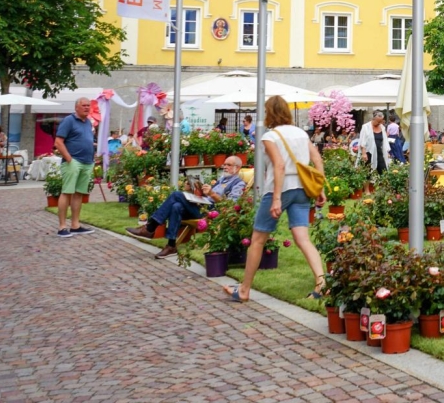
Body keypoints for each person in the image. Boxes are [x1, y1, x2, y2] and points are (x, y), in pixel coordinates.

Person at [225, 96, 326, 303]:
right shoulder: (300, 133)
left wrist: (277, 198)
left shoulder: (270, 137)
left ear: (268, 113)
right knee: (303, 238)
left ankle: (244, 290)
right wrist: (320, 188)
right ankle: (321, 282)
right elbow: (317, 159)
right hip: (303, 189)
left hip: (279, 189)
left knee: (258, 240)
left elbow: (279, 165)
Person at [127, 156, 248, 258]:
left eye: (228, 165)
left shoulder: (238, 183)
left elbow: (231, 205)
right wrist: (195, 189)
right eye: (224, 164)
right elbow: (208, 197)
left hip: (212, 212)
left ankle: (150, 227)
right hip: (203, 206)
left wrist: (212, 194)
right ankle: (171, 245)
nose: (224, 166)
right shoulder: (222, 180)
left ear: (237, 168)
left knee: (176, 195)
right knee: (176, 206)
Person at [54, 98, 96, 237]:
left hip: (87, 162)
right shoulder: (69, 120)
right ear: (76, 107)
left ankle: (75, 225)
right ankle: (62, 227)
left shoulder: (88, 122)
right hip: (73, 161)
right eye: (83, 105)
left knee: (79, 193)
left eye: (88, 106)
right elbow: (58, 142)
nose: (86, 108)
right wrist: (69, 159)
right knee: (67, 192)